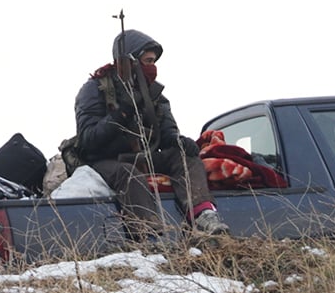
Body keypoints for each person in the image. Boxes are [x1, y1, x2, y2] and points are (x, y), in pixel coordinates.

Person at [74, 29, 229, 240]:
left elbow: (166, 132)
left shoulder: (154, 94)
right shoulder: (95, 89)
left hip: (143, 156)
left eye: (154, 61)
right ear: (129, 61)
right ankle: (149, 236)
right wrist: (122, 113)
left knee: (185, 156)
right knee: (129, 174)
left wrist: (177, 140)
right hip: (106, 161)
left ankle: (204, 215)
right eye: (147, 61)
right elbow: (88, 140)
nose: (152, 67)